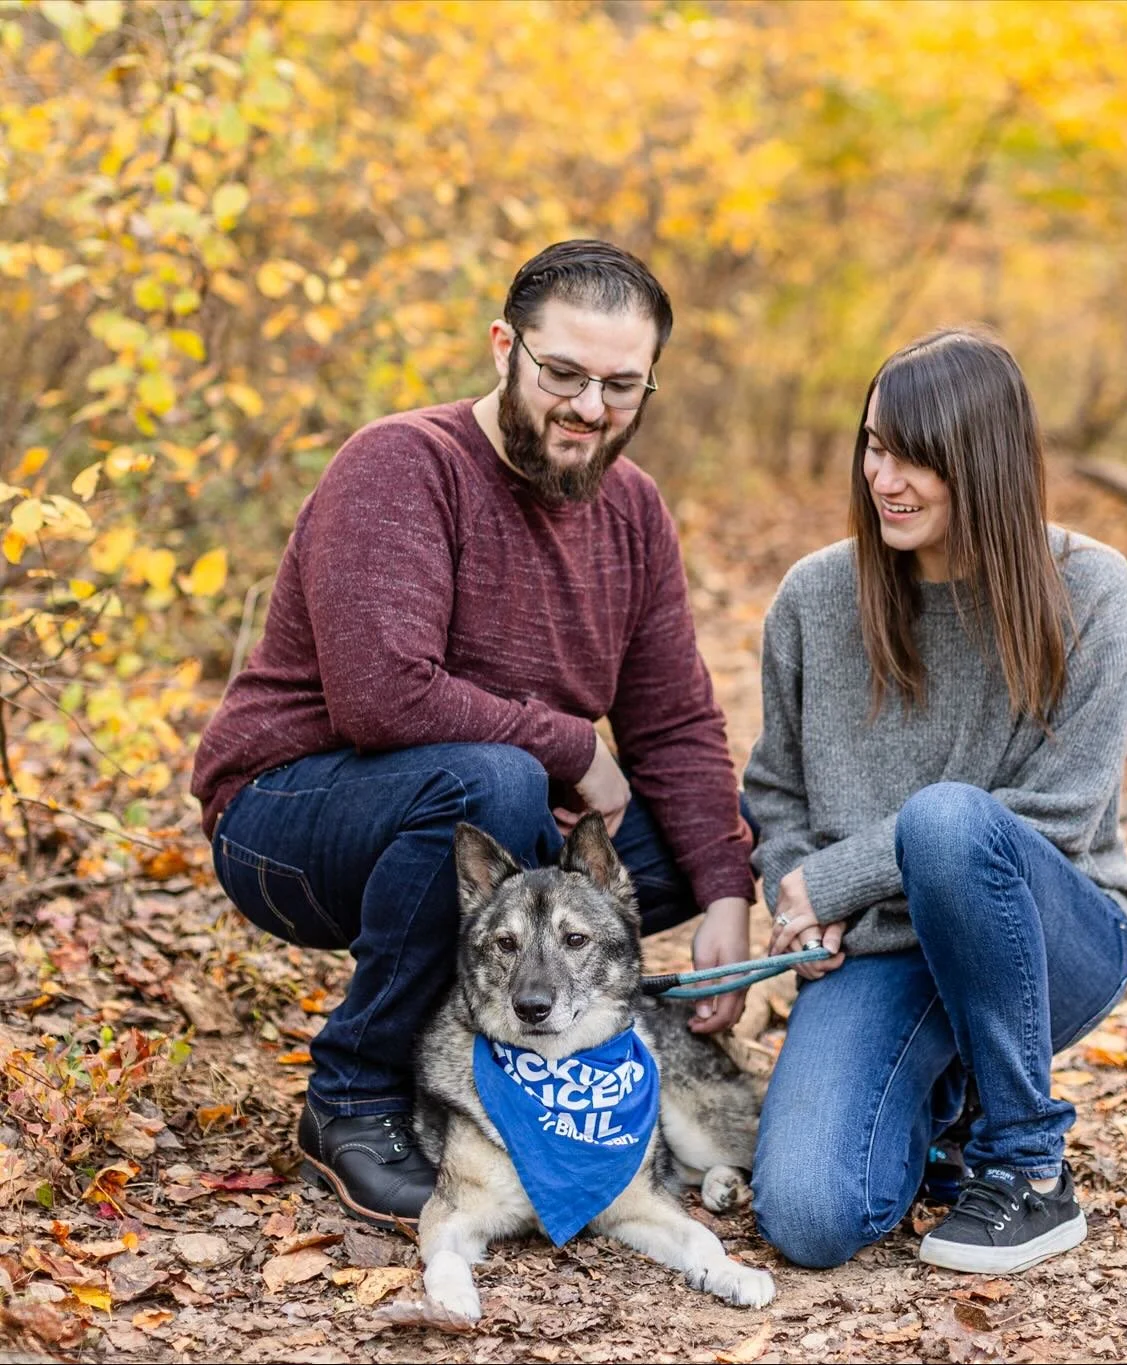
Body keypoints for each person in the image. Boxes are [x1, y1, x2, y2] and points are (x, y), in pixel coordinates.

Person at [190, 240, 756, 1228]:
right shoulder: (402, 466)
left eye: (622, 386)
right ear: (505, 347)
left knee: (697, 828)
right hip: (292, 819)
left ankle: (507, 1051)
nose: (590, 408)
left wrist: (725, 894)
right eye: (564, 374)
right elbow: (382, 696)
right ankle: (355, 1094)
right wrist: (574, 748)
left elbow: (674, 725)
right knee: (495, 784)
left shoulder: (633, 511)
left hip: (491, 815)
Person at [745, 328, 1127, 1275]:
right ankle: (941, 1107)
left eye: (916, 456)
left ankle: (1023, 1162)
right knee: (809, 1216)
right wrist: (795, 900)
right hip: (885, 953)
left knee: (948, 820)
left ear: (984, 460)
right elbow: (774, 790)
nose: (885, 477)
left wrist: (833, 878)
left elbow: (1055, 814)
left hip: (1053, 937)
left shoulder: (1088, 589)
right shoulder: (814, 597)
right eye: (875, 445)